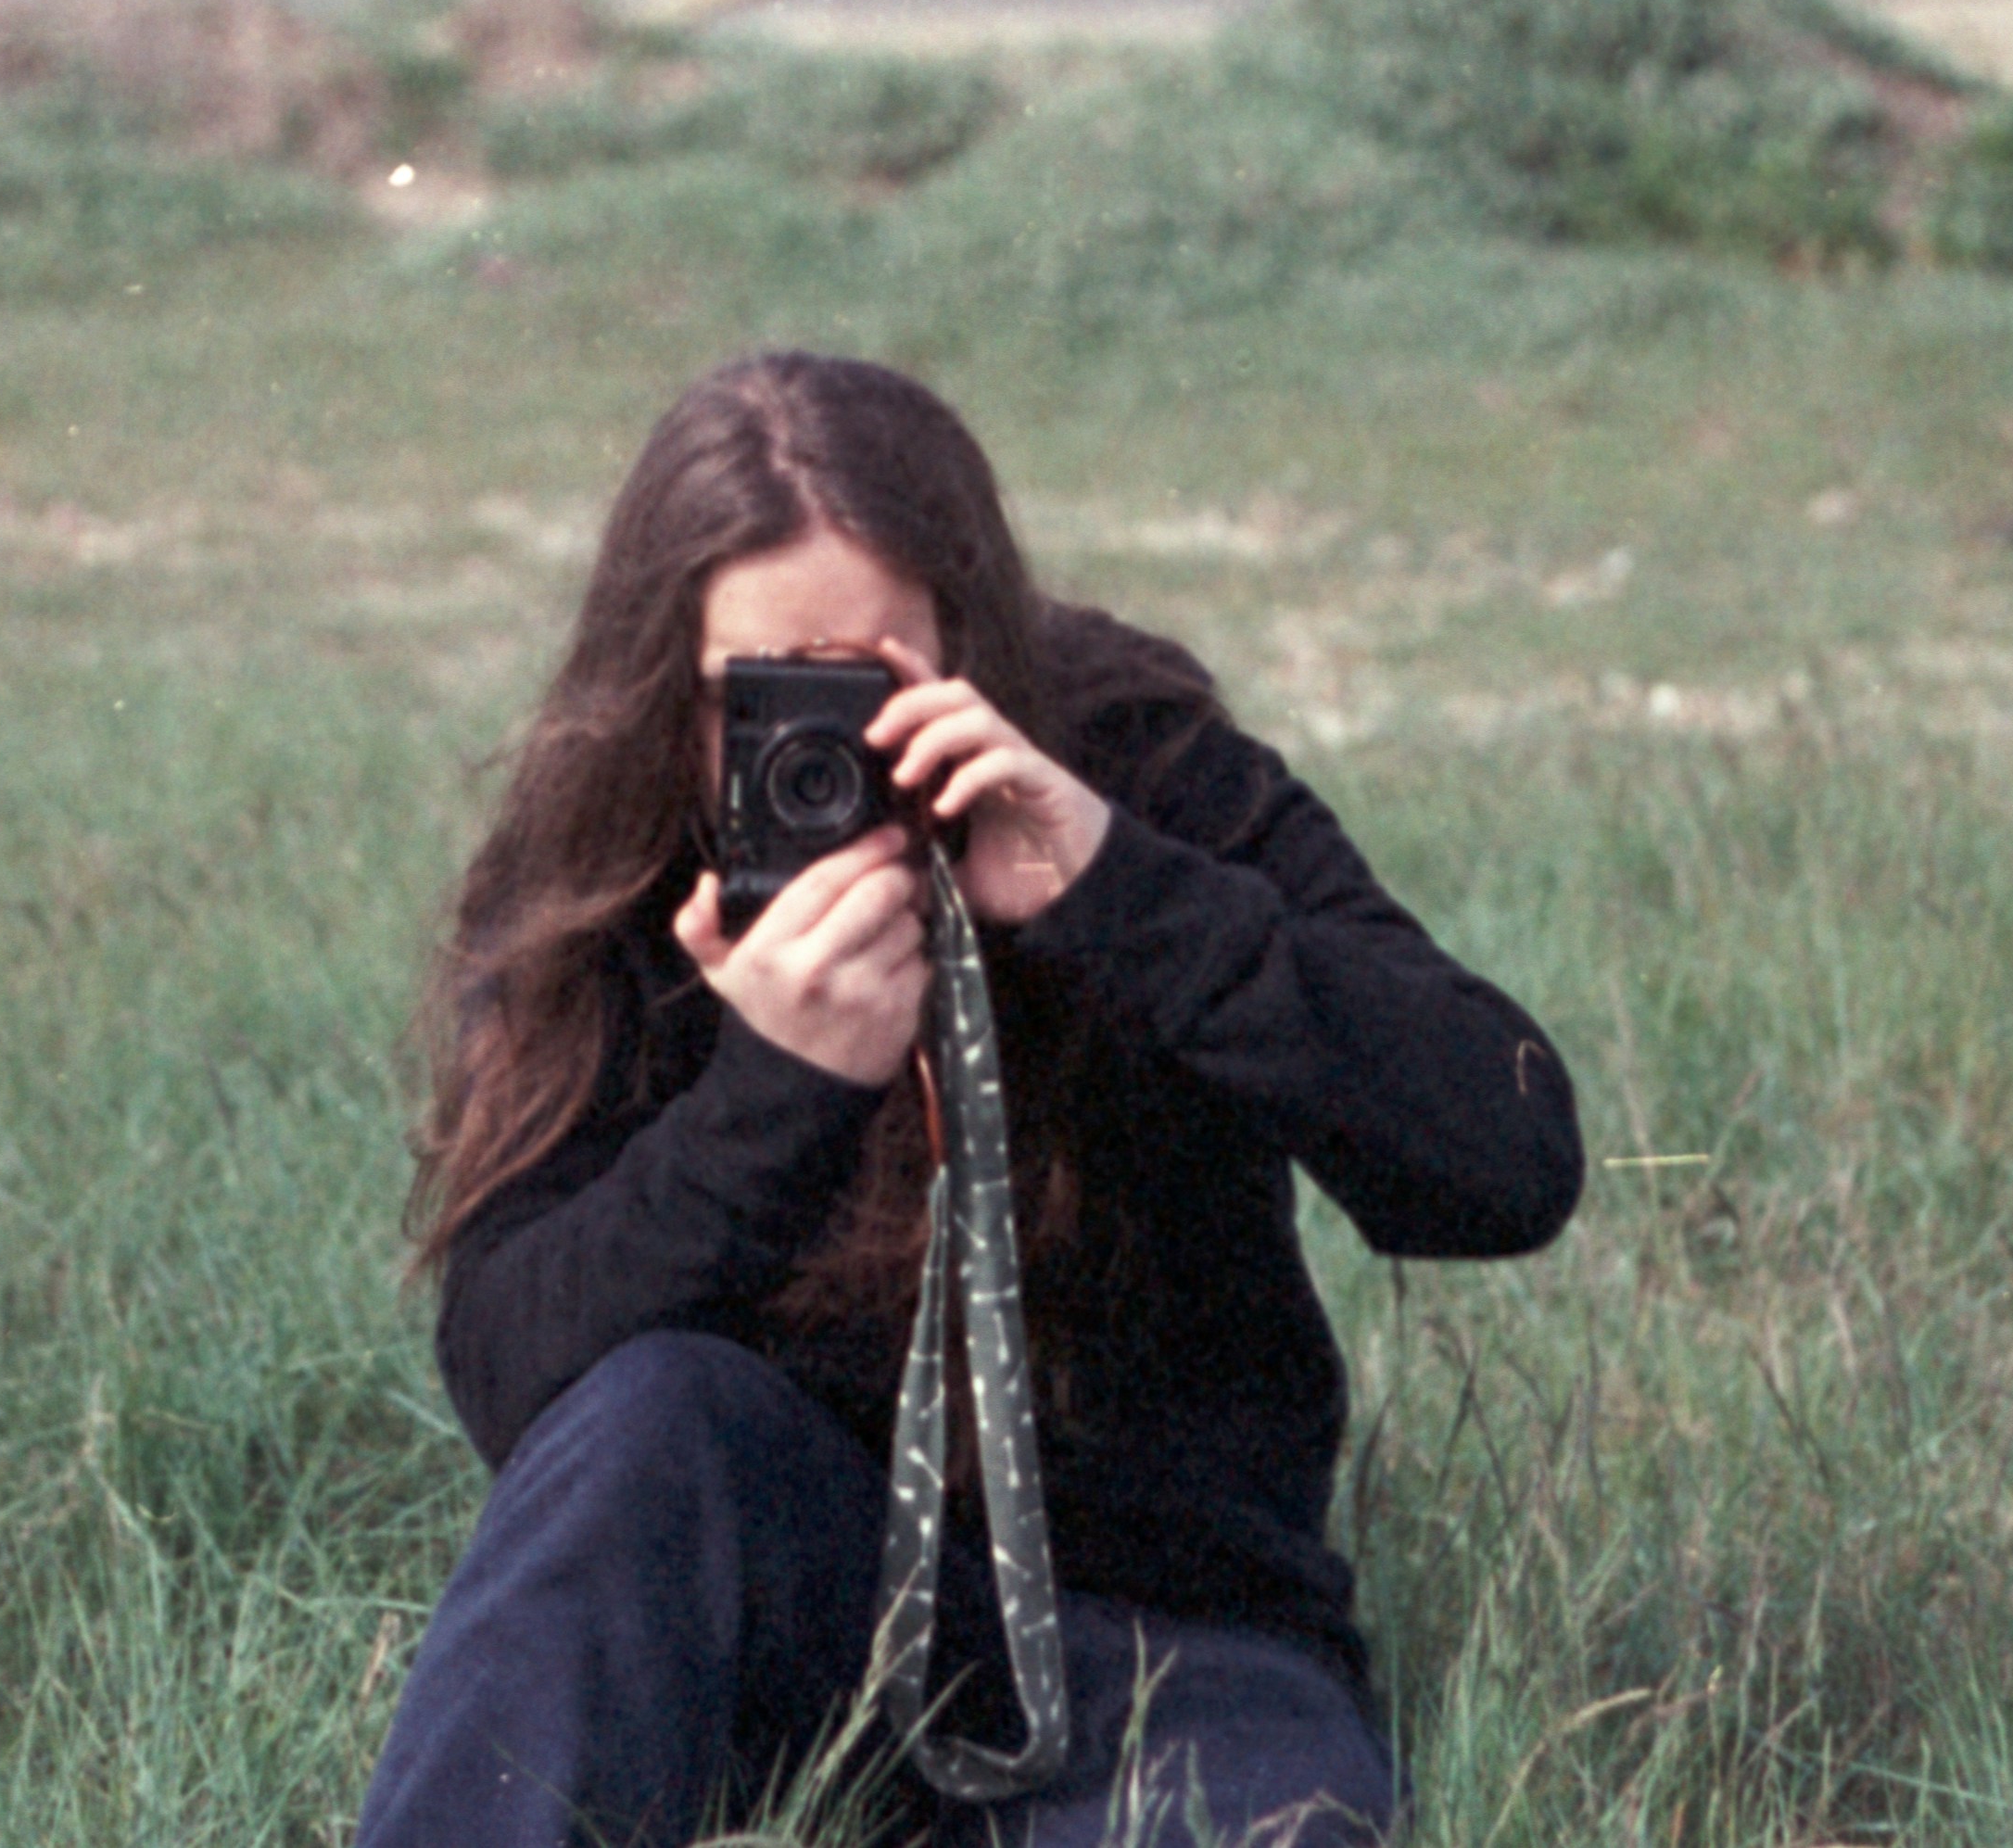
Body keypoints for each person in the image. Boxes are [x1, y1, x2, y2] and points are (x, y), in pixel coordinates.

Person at [353, 351, 1583, 1847]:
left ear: (969, 647)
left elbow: (1506, 1164)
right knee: (646, 1423)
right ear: (660, 689)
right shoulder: (619, 853)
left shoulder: (1129, 759)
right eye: (754, 701)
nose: (812, 753)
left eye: (865, 687)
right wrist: (773, 1094)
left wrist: (1123, 889)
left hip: (1165, 1632)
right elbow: (515, 1387)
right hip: (799, 1619)